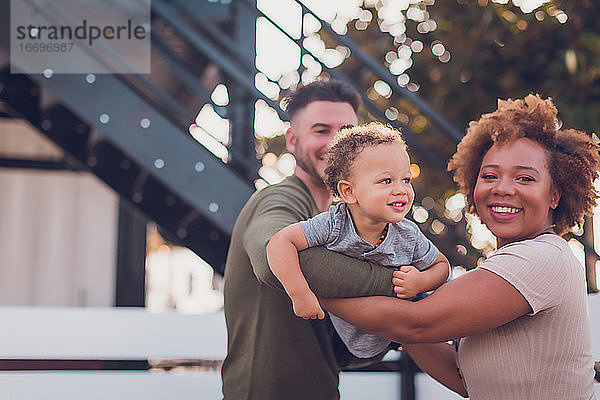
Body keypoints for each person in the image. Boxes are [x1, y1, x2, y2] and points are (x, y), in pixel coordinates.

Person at [320, 94, 599, 399]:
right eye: (489, 175)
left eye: (524, 178)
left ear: (555, 195)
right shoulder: (504, 264)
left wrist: (315, 286)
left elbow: (419, 324)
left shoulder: (542, 257)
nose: (502, 188)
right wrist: (400, 316)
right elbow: (465, 378)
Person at [221, 80, 399, 400]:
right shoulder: (278, 200)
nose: (335, 143)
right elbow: (269, 260)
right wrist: (400, 283)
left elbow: (336, 340)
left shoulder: (340, 220)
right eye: (321, 130)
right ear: (292, 139)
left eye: (346, 133)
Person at [266, 122, 450, 359]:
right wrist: (300, 294)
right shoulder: (334, 223)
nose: (401, 190)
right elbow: (280, 242)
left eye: (406, 180)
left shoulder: (407, 234)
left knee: (439, 307)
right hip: (340, 338)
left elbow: (442, 266)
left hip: (396, 332)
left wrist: (421, 281)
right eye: (386, 181)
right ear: (349, 192)